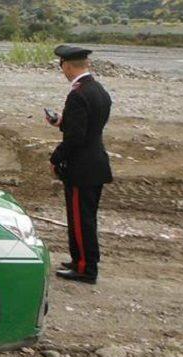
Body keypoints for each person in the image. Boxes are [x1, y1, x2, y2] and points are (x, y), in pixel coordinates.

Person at [46, 45, 113, 284]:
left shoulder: (77, 94)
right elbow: (88, 126)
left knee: (80, 219)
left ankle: (85, 268)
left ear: (67, 65)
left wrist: (56, 158)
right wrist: (60, 122)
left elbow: (75, 138)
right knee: (85, 218)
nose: (62, 70)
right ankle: (80, 260)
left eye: (62, 66)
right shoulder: (99, 90)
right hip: (96, 162)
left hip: (81, 167)